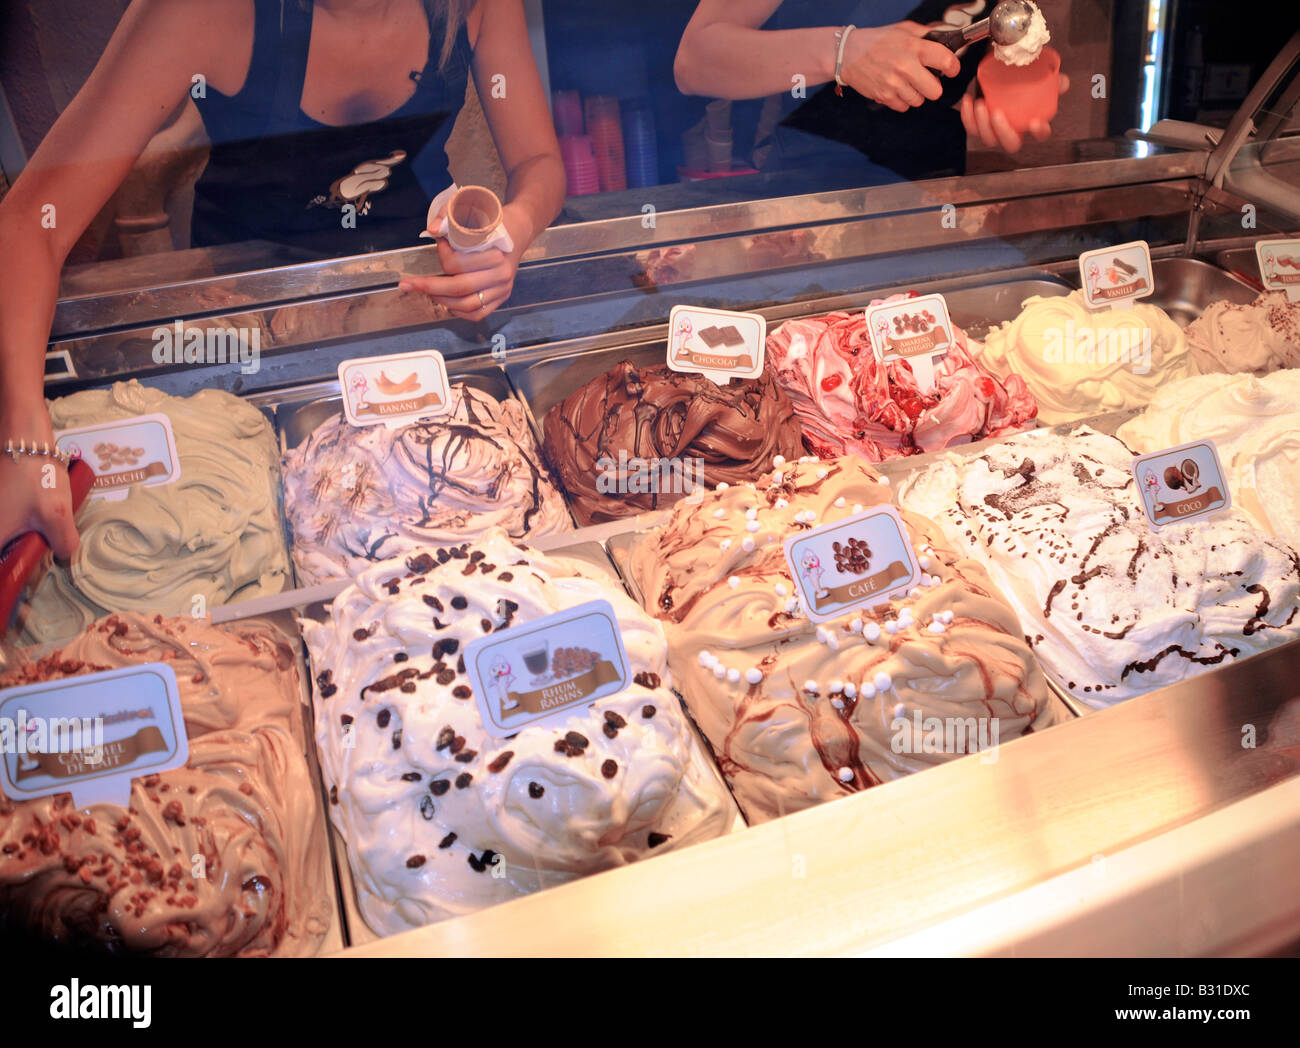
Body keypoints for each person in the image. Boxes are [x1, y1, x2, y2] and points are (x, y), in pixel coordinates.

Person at [0, 0, 564, 559]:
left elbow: (539, 161)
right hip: (241, 336)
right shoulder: (201, 12)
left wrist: (510, 230)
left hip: (414, 321)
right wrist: (25, 443)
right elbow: (30, 222)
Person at [674, 0, 1070, 180]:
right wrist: (842, 51)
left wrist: (1003, 87)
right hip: (810, 182)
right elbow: (694, 61)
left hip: (932, 188)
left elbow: (993, 34)